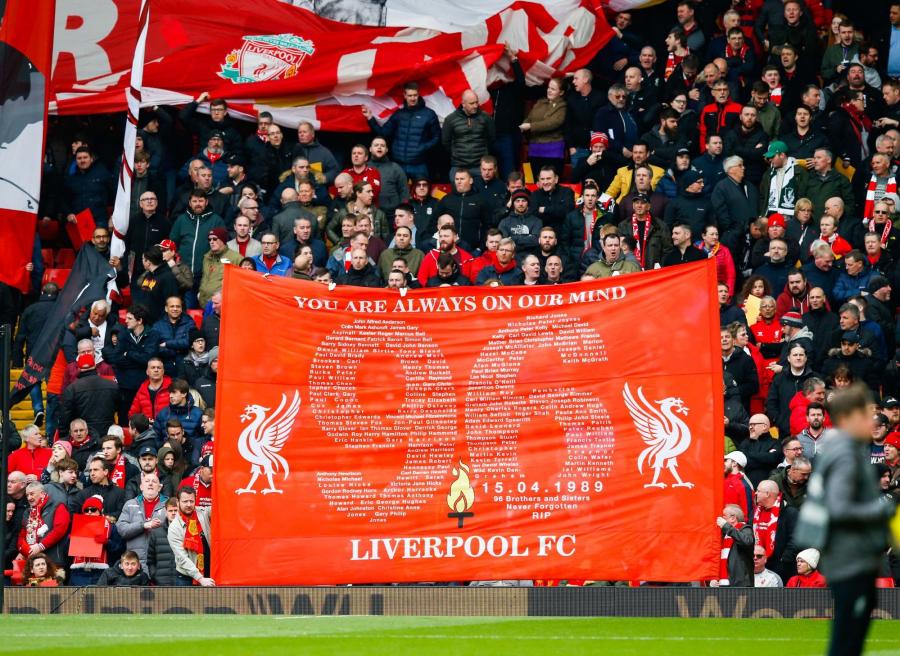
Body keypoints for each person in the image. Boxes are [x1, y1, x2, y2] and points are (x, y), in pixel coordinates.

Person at [802, 385, 896, 655]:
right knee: (849, 633)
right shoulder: (846, 454)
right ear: (847, 417)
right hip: (850, 552)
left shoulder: (835, 449)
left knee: (849, 627)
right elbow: (839, 507)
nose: (872, 420)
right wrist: (885, 510)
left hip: (842, 549)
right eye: (865, 414)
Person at [363, 81, 440, 180]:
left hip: (419, 165)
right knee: (396, 190)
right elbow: (383, 133)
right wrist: (370, 118)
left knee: (422, 190)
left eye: (415, 95)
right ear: (405, 95)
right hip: (398, 165)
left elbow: (437, 137)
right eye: (410, 95)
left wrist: (423, 147)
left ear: (418, 95)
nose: (413, 98)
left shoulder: (429, 114)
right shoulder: (399, 114)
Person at [115, 474, 167, 570]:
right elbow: (122, 529)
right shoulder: (130, 504)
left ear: (160, 487)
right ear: (141, 486)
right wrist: (143, 525)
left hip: (162, 560)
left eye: (154, 481)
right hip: (135, 562)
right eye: (147, 481)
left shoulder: (169, 505)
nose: (150, 484)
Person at [442, 89, 495, 180]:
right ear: (463, 104)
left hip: (480, 166)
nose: (475, 106)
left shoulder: (485, 117)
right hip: (458, 165)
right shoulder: (450, 119)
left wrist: (483, 154)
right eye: (471, 103)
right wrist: (456, 154)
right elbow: (445, 142)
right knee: (457, 187)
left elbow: (491, 138)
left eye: (476, 102)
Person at [168, 486, 215, 586]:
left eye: (191, 501)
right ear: (178, 502)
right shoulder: (174, 527)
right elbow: (182, 558)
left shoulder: (203, 512)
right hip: (187, 578)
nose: (189, 504)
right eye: (185, 501)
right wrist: (200, 578)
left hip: (209, 573)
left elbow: (220, 507)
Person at [520, 77, 567, 175]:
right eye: (549, 88)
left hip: (553, 151)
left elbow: (552, 123)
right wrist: (524, 125)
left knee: (550, 180)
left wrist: (531, 126)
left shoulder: (563, 106)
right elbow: (530, 117)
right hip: (534, 150)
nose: (549, 90)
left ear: (561, 92)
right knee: (530, 178)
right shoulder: (540, 102)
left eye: (553, 89)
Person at [716, 504, 755, 587]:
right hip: (725, 583)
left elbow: (747, 541)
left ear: (733, 518)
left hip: (741, 584)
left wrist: (726, 526)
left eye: (724, 516)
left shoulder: (745, 529)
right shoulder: (724, 534)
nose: (720, 519)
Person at [146, 497, 179, 585]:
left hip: (182, 581)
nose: (173, 513)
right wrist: (154, 575)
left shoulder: (186, 531)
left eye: (176, 510)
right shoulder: (156, 533)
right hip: (161, 582)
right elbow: (150, 559)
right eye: (170, 511)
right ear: (166, 512)